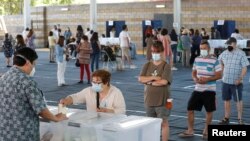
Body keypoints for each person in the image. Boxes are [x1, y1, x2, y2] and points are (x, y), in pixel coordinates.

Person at [0, 47, 67, 141]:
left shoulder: (4, 77)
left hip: (5, 133)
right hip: (24, 134)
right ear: (27, 62)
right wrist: (56, 118)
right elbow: (41, 110)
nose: (33, 68)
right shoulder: (27, 81)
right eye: (34, 64)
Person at [178, 40, 222, 140]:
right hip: (198, 89)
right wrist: (195, 79)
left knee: (209, 111)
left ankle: (206, 130)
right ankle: (190, 130)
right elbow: (194, 72)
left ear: (209, 49)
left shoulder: (215, 60)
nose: (202, 50)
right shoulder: (197, 59)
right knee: (190, 109)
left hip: (209, 90)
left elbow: (219, 75)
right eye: (201, 49)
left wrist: (208, 79)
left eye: (204, 49)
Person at [138, 41, 172, 141]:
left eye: (157, 52)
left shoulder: (166, 66)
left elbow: (164, 81)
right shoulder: (147, 65)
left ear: (162, 52)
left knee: (164, 123)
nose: (155, 54)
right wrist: (154, 77)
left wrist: (149, 81)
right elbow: (140, 79)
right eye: (153, 52)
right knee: (150, 123)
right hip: (149, 100)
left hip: (165, 100)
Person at [60, 69, 126, 114]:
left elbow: (122, 111)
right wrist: (66, 100)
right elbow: (75, 97)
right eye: (93, 82)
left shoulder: (116, 92)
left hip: (110, 125)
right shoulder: (89, 90)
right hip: (92, 124)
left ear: (106, 82)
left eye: (98, 83)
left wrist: (107, 111)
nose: (95, 85)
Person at [218, 37, 249, 125]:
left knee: (238, 101)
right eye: (227, 44)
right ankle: (226, 118)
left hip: (236, 82)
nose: (228, 46)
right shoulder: (224, 53)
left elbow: (245, 68)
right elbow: (220, 61)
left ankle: (240, 119)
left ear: (234, 44)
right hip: (225, 81)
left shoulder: (241, 53)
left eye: (230, 44)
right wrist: (222, 71)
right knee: (226, 100)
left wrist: (240, 78)